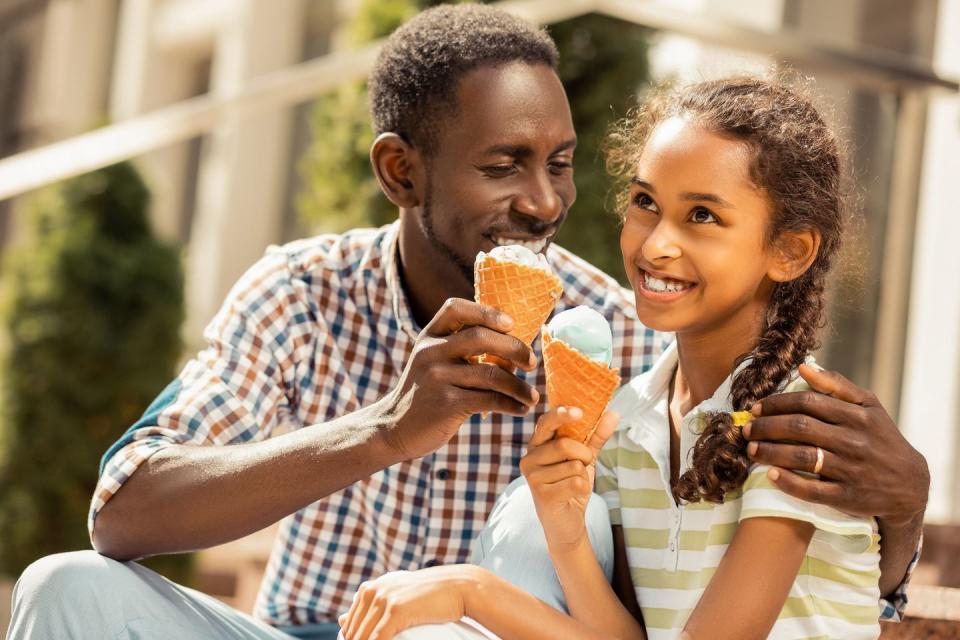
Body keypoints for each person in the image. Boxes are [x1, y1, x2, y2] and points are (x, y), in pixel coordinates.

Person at [7, 6, 925, 640]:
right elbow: (123, 515)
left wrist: (902, 526)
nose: (542, 203)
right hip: (297, 627)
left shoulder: (624, 336)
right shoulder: (302, 293)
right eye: (503, 165)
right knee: (63, 588)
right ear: (402, 173)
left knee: (535, 513)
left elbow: (727, 595)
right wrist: (384, 432)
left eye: (560, 165)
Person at [337, 76, 921, 640]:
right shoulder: (628, 418)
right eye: (645, 202)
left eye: (702, 216)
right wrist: (566, 534)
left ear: (789, 251)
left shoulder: (800, 426)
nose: (654, 244)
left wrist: (472, 592)